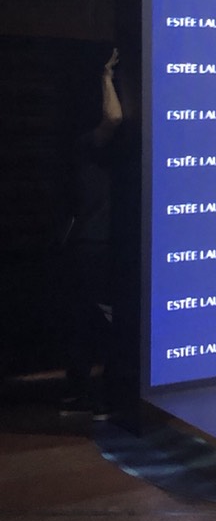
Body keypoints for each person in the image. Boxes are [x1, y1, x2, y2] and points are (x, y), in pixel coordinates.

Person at [59, 48, 122, 414]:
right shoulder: (85, 144)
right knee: (93, 320)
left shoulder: (104, 152)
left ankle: (95, 393)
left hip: (101, 243)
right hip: (93, 244)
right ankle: (87, 394)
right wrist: (107, 78)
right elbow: (113, 117)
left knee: (95, 321)